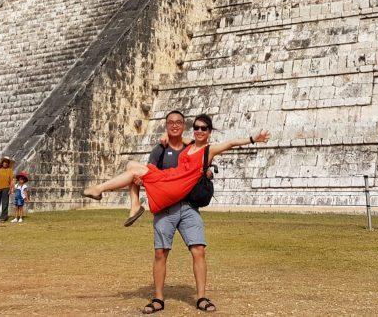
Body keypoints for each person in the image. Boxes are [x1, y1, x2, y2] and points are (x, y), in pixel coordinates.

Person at [84, 113, 271, 314]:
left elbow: (230, 143)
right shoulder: (185, 146)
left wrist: (253, 139)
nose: (199, 130)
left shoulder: (209, 150)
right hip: (168, 185)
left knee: (199, 250)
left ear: (209, 131)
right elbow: (181, 138)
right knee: (131, 168)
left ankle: (201, 297)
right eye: (197, 127)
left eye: (204, 128)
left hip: (184, 201)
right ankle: (158, 298)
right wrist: (167, 137)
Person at [0, 157, 14, 223]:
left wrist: (11, 189)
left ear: (8, 163)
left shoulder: (10, 170)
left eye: (7, 162)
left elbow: (12, 180)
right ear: (2, 163)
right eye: (4, 162)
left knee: (5, 203)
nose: (5, 163)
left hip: (6, 188)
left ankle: (3, 217)